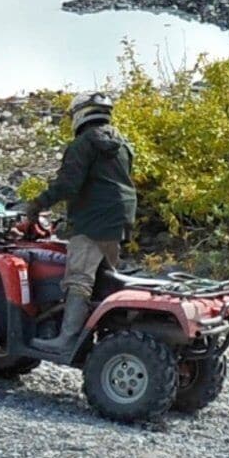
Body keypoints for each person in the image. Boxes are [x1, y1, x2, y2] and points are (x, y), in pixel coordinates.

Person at [25, 92, 137, 355]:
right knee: (105, 277)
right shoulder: (123, 143)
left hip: (93, 220)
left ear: (81, 114)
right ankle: (109, 333)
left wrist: (37, 204)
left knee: (79, 278)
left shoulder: (83, 144)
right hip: (120, 216)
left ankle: (66, 339)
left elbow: (68, 184)